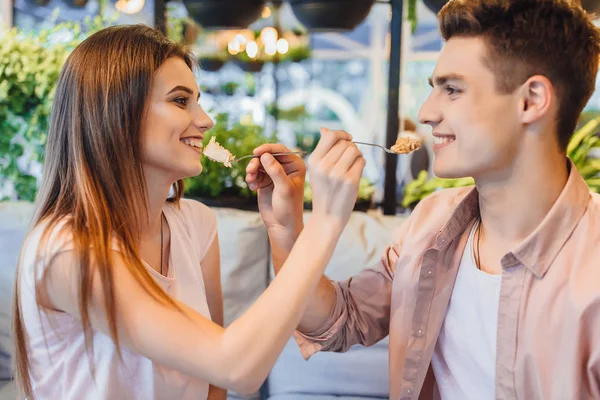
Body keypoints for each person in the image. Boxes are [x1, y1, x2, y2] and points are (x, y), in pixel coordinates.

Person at [264, 0, 600, 398]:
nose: (425, 113)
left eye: (452, 90)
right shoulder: (431, 221)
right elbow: (339, 319)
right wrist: (286, 226)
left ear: (531, 100)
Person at [12, 25, 366, 400]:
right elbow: (236, 367)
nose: (206, 120)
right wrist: (326, 221)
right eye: (181, 101)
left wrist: (285, 226)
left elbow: (214, 383)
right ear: (117, 112)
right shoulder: (70, 251)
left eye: (197, 100)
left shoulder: (196, 224)